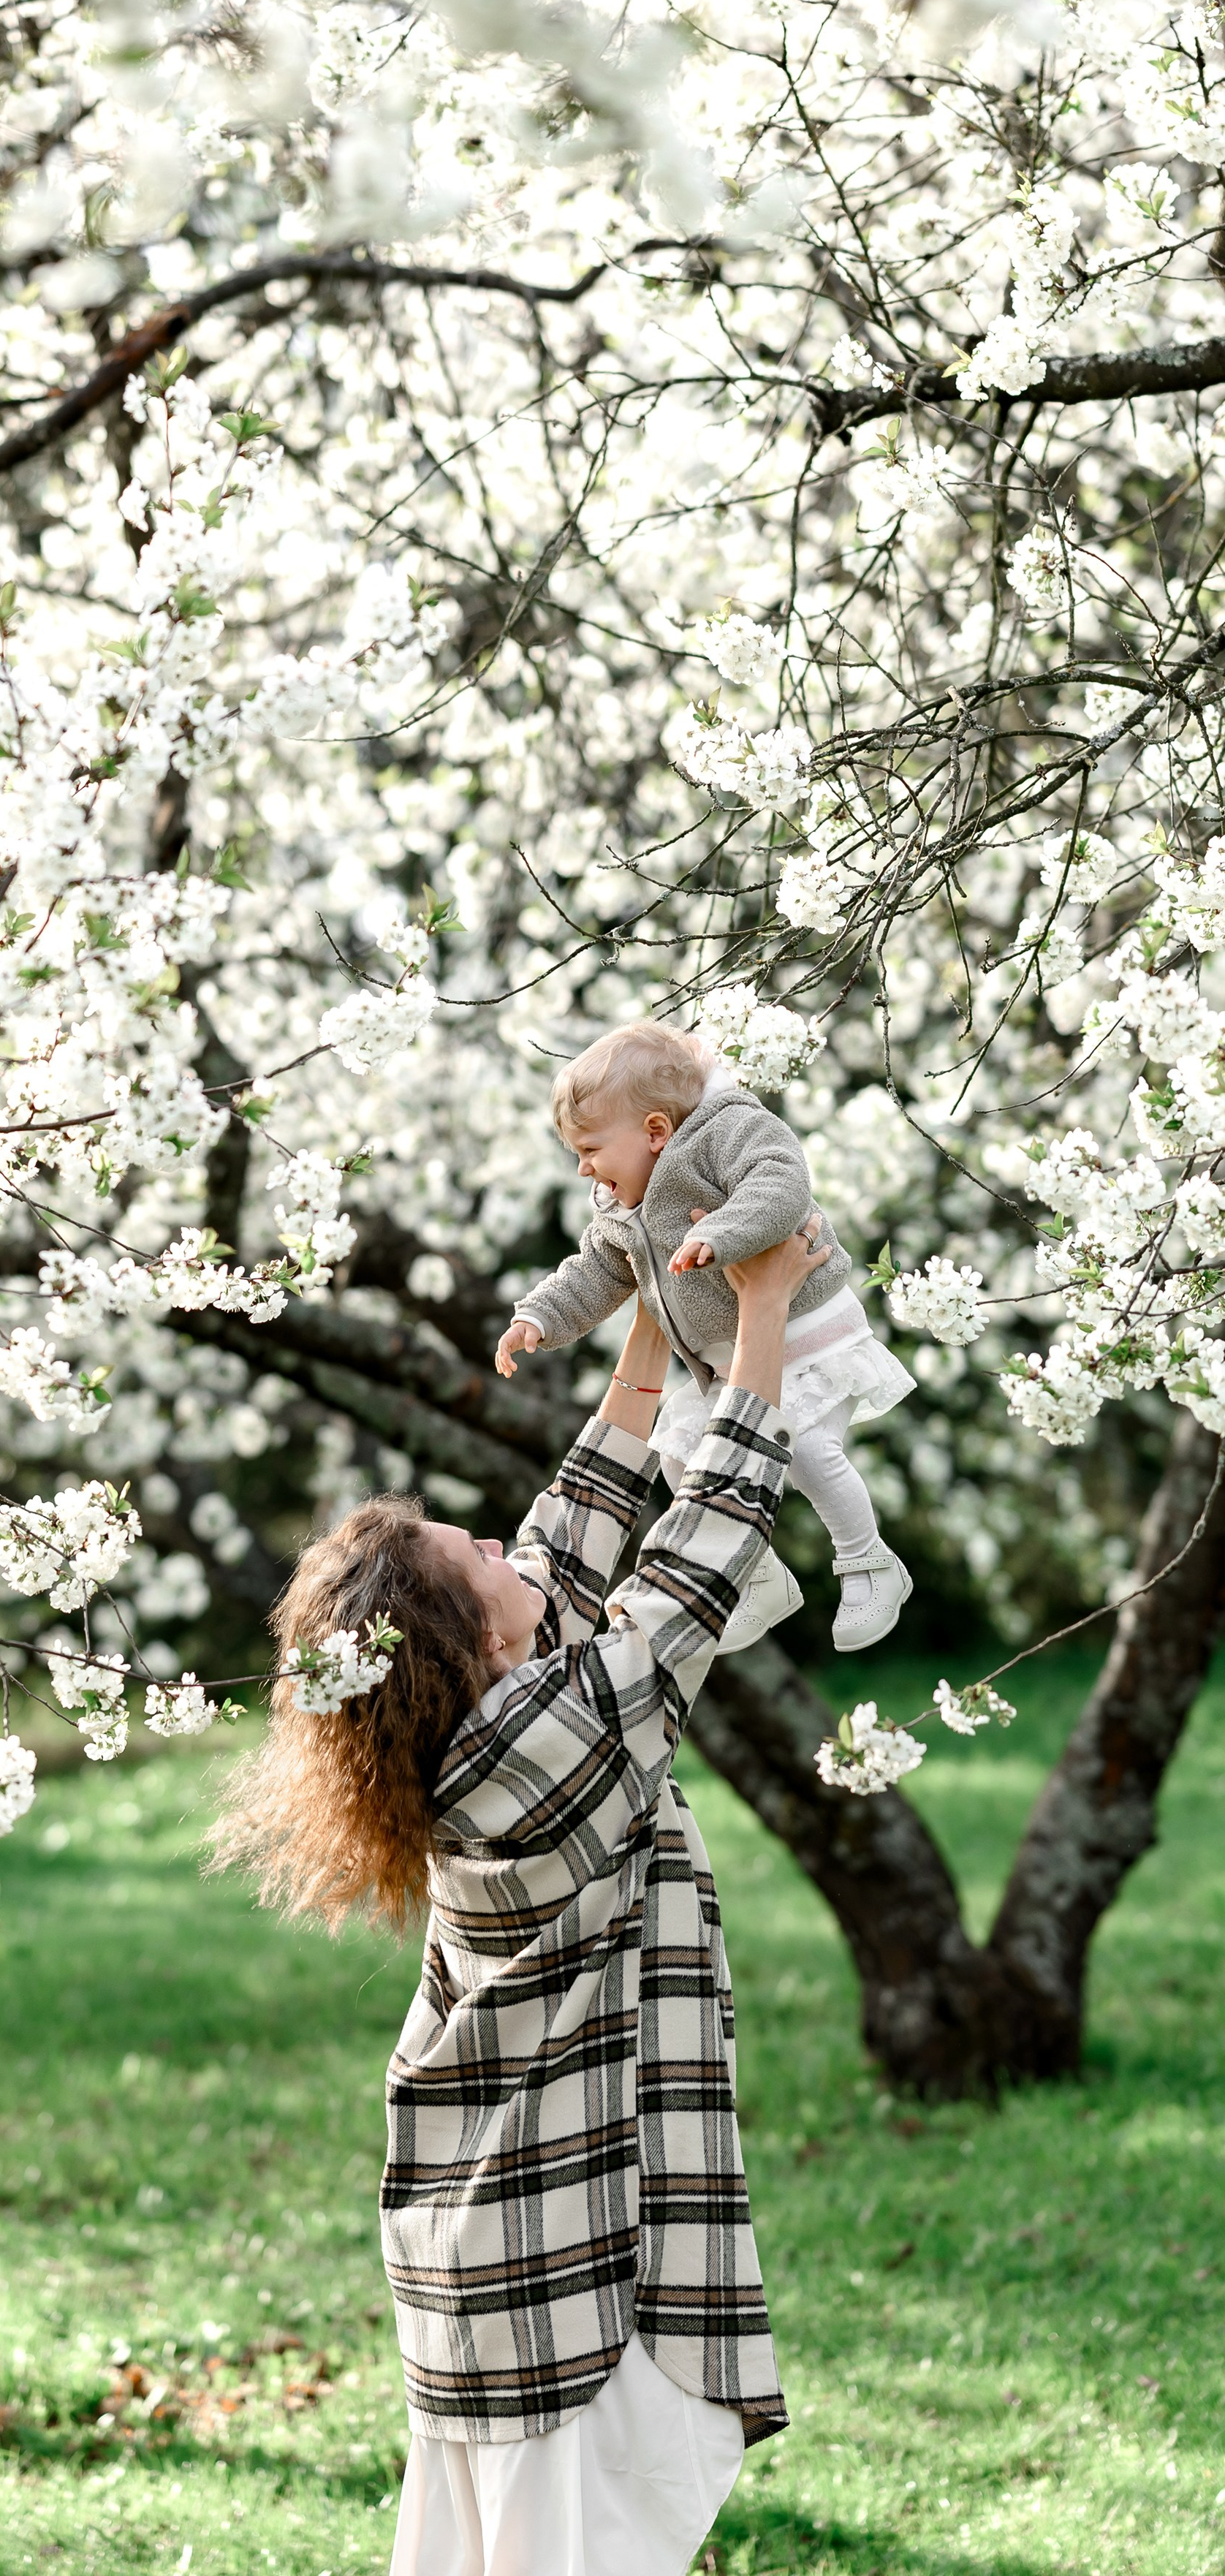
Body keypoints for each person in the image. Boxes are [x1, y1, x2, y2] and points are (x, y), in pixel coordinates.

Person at [211, 1225, 830, 2576]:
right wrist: (768, 1306)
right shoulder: (535, 1750)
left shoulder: (481, 1728)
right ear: (477, 1642)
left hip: (495, 2239)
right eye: (473, 1553)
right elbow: (701, 1557)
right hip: (554, 2253)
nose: (505, 1537)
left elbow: (574, 1522)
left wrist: (659, 1313)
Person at [495, 1018, 914, 1654]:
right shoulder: (620, 1207)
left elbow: (781, 1180)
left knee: (804, 1451)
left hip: (807, 1336)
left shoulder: (727, 1129)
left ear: (655, 1131)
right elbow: (596, 1270)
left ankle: (869, 1562)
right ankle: (758, 1574)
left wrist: (721, 1235)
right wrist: (540, 1316)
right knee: (675, 1454)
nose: (583, 1169)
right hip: (725, 1365)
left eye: (590, 1150)